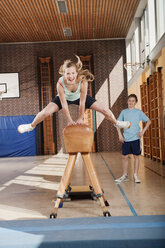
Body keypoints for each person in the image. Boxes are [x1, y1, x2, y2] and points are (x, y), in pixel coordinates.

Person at [18, 55, 131, 134]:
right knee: (45, 112)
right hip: (64, 99)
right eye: (68, 73)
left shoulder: (82, 81)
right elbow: (64, 104)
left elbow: (82, 102)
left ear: (77, 73)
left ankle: (116, 123)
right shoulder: (60, 83)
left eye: (73, 73)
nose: (70, 76)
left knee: (105, 110)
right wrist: (69, 120)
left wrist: (80, 118)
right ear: (64, 74)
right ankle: (31, 126)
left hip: (79, 98)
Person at [115, 94, 151, 184]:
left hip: (136, 138)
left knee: (136, 156)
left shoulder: (139, 112)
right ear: (127, 101)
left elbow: (149, 121)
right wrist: (120, 135)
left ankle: (135, 175)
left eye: (133, 101)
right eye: (129, 100)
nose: (131, 102)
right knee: (124, 157)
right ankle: (125, 175)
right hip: (126, 139)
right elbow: (117, 124)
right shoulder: (124, 112)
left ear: (135, 102)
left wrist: (142, 131)